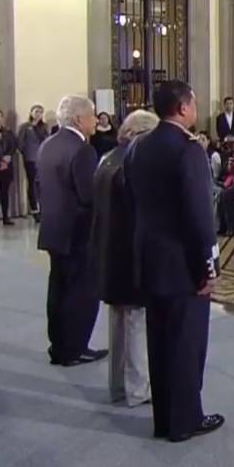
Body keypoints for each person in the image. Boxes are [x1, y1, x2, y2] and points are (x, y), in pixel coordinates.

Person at [125, 80, 223, 442]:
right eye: (194, 103)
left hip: (150, 257)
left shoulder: (138, 146)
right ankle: (185, 421)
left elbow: (132, 202)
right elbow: (200, 216)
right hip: (183, 265)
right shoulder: (188, 150)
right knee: (186, 342)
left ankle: (163, 418)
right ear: (182, 107)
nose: (196, 109)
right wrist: (208, 267)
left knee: (159, 340)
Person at [92, 110, 159, 406]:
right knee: (135, 321)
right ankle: (138, 388)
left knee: (118, 319)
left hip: (108, 250)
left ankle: (118, 385)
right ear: (138, 136)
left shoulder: (106, 160)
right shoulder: (133, 166)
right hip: (130, 252)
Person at [37, 95, 107, 367]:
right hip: (79, 233)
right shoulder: (82, 150)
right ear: (79, 119)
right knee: (81, 293)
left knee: (58, 288)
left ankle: (59, 345)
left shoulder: (49, 144)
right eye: (92, 115)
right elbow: (89, 196)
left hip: (54, 228)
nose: (96, 121)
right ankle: (75, 348)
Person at [17, 104, 49, 222]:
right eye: (36, 111)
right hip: (30, 158)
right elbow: (20, 142)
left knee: (42, 184)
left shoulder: (44, 127)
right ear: (31, 113)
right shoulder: (25, 127)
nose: (38, 114)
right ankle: (34, 210)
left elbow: (48, 140)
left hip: (43, 159)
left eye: (41, 112)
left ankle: (43, 209)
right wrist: (25, 152)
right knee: (33, 183)